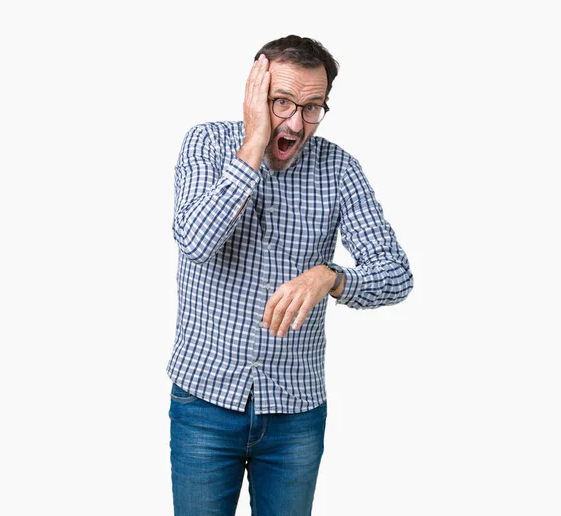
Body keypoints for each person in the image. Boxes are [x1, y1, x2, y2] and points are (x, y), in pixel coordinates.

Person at [166, 35, 413, 515]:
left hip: (295, 415)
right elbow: (195, 240)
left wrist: (332, 277)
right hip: (203, 405)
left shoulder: (338, 169)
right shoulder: (206, 143)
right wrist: (255, 143)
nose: (296, 123)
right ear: (255, 95)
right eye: (282, 102)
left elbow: (396, 273)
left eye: (313, 107)